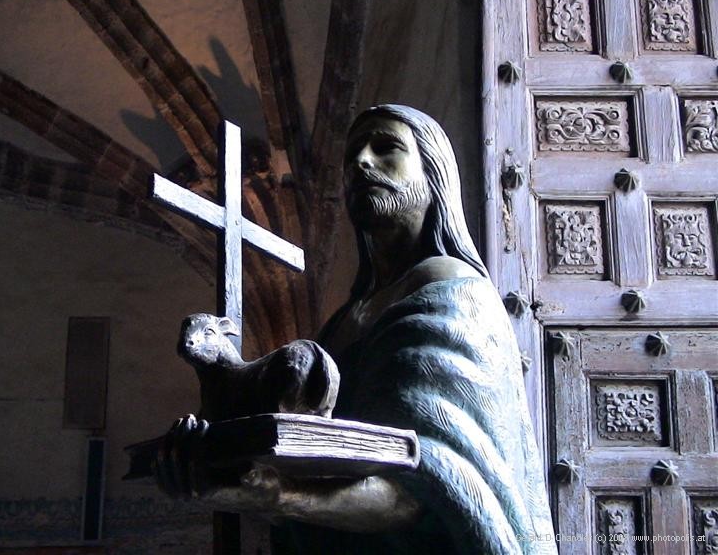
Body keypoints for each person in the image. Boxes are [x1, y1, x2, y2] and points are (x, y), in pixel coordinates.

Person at [157, 104, 556, 555]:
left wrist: (280, 494)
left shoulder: (456, 294)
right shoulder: (345, 321)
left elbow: (424, 490)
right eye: (351, 159)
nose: (361, 163)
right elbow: (319, 469)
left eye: (386, 148)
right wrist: (220, 474)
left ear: (434, 174)